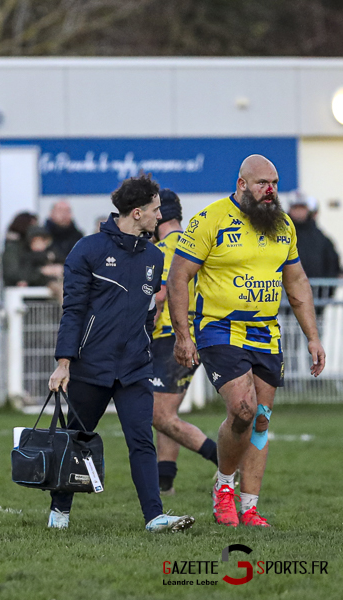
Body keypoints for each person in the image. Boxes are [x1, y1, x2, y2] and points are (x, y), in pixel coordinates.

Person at [168, 155, 326, 528]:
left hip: (265, 332)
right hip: (220, 329)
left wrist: (313, 338)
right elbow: (178, 277)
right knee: (243, 409)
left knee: (261, 420)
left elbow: (298, 283)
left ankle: (250, 508)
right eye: (262, 184)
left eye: (274, 183)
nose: (270, 191)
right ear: (241, 184)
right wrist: (182, 335)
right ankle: (224, 486)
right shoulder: (211, 219)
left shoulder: (284, 225)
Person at [48, 174, 195, 533]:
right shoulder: (87, 250)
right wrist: (64, 362)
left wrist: (143, 344)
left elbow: (148, 312)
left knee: (142, 440)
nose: (160, 217)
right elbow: (73, 311)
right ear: (136, 212)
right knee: (77, 439)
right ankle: (60, 510)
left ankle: (154, 517)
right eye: (156, 210)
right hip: (91, 366)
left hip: (134, 368)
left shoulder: (154, 256)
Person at [149, 189, 218, 495]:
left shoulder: (165, 247)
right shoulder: (194, 241)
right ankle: (165, 483)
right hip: (198, 332)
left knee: (159, 415)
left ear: (159, 215)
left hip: (171, 336)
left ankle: (226, 459)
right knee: (167, 412)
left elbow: (161, 294)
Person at [288, 194, 340, 308]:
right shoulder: (280, 234)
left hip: (316, 301)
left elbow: (332, 263)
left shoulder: (320, 237)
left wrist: (327, 293)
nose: (299, 212)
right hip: (286, 302)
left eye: (302, 208)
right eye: (295, 208)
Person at [1, 211, 38, 287]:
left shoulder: (29, 246)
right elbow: (12, 272)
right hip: (18, 288)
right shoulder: (13, 247)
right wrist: (41, 272)